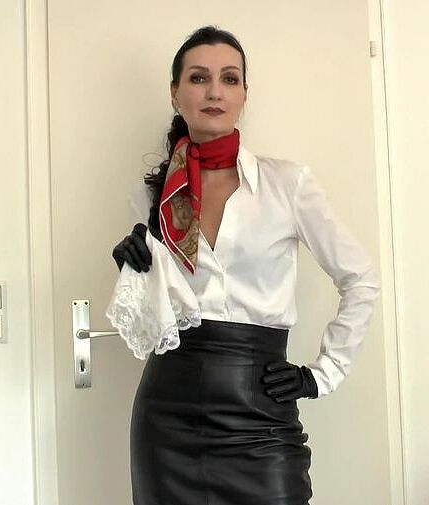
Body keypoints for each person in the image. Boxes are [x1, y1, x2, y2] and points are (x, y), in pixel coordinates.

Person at [111, 25, 380, 505]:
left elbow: (360, 279)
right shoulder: (153, 197)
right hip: (167, 416)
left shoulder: (287, 184)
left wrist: (322, 373)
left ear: (243, 94)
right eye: (198, 78)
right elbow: (157, 320)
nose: (214, 91)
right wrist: (133, 276)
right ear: (175, 93)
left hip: (261, 414)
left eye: (229, 78)